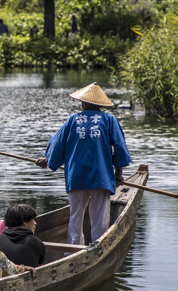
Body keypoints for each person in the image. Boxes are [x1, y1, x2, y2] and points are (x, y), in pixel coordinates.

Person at [35, 83, 132, 245]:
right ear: (100, 104)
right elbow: (120, 148)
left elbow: (58, 144)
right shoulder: (109, 120)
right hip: (101, 176)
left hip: (76, 176)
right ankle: (97, 247)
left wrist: (48, 161)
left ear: (84, 103)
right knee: (100, 217)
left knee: (75, 217)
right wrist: (118, 174)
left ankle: (72, 249)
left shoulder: (73, 120)